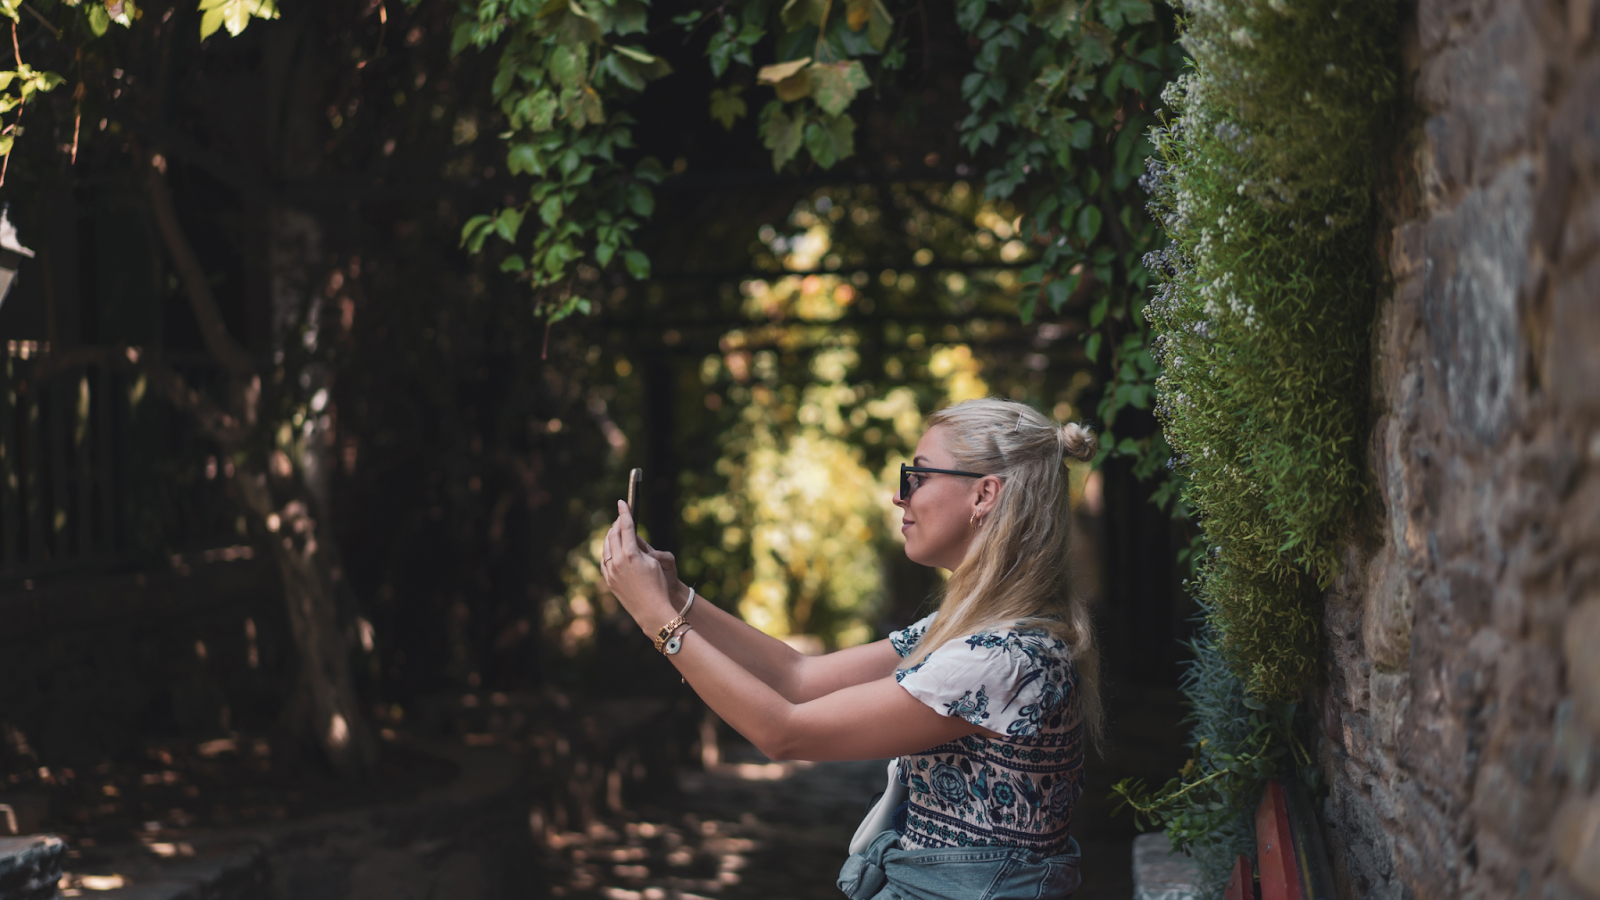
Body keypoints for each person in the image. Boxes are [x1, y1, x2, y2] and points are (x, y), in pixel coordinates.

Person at [600, 397, 1103, 900]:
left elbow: (784, 733)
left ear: (985, 494)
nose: (899, 496)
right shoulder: (976, 630)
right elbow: (797, 676)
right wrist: (676, 596)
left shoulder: (998, 655)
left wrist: (656, 621)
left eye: (918, 476)